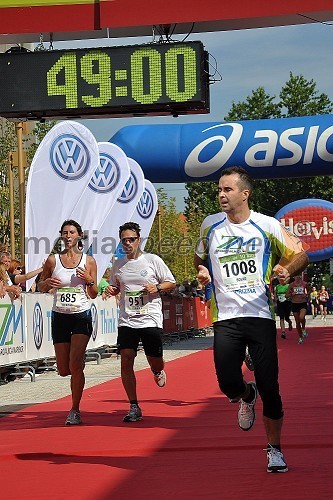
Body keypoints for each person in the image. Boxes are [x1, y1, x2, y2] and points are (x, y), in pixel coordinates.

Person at [194, 166, 308, 473]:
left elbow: (301, 253)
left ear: (245, 193)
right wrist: (202, 272)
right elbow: (199, 258)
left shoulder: (267, 225)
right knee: (228, 383)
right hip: (225, 317)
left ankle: (275, 450)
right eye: (219, 189)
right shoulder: (210, 226)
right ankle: (246, 394)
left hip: (259, 314)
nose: (220, 194)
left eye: (227, 189)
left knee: (271, 386)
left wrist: (287, 270)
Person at [105, 221, 176, 423]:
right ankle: (134, 405)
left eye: (131, 239)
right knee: (126, 359)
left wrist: (158, 288)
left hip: (150, 318)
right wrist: (112, 290)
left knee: (155, 359)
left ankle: (157, 370)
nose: (128, 243)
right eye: (124, 240)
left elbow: (171, 282)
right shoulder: (118, 264)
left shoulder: (152, 260)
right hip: (127, 319)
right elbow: (115, 286)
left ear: (139, 240)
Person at [37, 220, 98, 425]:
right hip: (60, 317)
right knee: (64, 369)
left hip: (81, 315)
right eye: (65, 232)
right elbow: (41, 287)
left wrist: (89, 279)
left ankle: (74, 409)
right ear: (61, 236)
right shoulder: (53, 261)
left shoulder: (88, 261)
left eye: (72, 232)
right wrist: (46, 283)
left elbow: (94, 293)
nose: (68, 235)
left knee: (74, 363)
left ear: (79, 235)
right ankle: (77, 365)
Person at [285, 275, 309, 344]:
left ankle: (303, 328)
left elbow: (309, 290)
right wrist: (292, 294)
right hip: (295, 304)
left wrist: (306, 295)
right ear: (294, 277)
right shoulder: (291, 285)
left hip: (302, 303)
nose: (298, 277)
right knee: (297, 322)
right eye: (296, 276)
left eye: (299, 276)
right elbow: (286, 295)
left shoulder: (304, 284)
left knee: (301, 317)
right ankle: (300, 337)